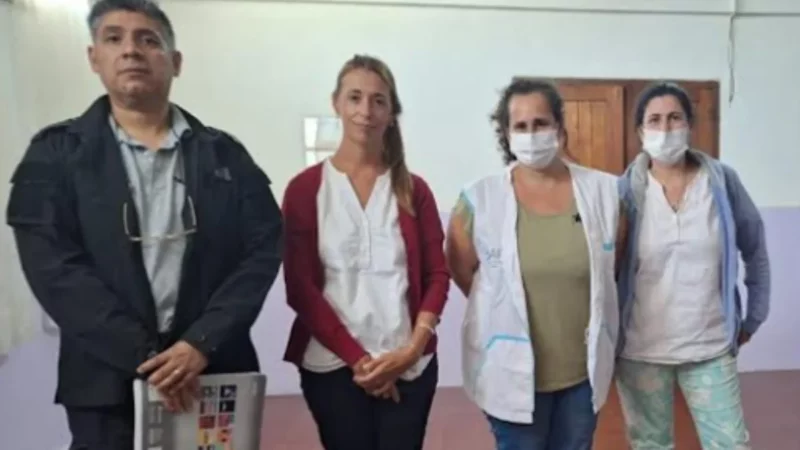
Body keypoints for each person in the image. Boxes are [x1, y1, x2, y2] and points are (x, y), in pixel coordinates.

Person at [5, 1, 283, 449]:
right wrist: (149, 358)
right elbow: (53, 268)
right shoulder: (55, 155)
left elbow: (263, 249)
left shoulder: (226, 156)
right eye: (114, 38)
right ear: (94, 57)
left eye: (148, 39)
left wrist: (200, 343)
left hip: (211, 372)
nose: (131, 50)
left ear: (175, 62)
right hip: (105, 384)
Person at [281, 54, 449, 450]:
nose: (366, 111)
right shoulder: (305, 190)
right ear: (336, 103)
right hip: (332, 365)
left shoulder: (414, 190)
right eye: (355, 98)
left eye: (378, 100)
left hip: (410, 365)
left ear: (391, 112)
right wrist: (360, 361)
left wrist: (411, 351)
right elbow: (300, 288)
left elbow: (437, 276)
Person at [446, 78, 624, 450]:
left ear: (559, 126)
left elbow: (613, 267)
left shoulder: (604, 192)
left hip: (581, 377)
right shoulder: (479, 199)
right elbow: (465, 273)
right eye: (521, 126)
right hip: (509, 371)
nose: (531, 134)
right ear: (506, 134)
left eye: (541, 123)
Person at [615, 81, 770, 449]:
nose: (665, 128)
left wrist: (753, 317)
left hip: (710, 348)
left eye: (675, 118)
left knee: (731, 443)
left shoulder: (722, 182)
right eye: (654, 120)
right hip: (640, 351)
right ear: (640, 131)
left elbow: (755, 251)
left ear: (690, 125)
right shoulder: (625, 191)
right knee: (650, 444)